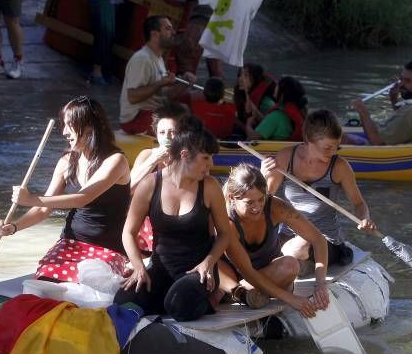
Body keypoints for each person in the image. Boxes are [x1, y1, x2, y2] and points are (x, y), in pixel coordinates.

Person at [0, 96, 132, 283]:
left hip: (107, 248)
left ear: (90, 127)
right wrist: (13, 227)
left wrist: (30, 199)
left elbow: (82, 198)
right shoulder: (67, 161)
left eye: (70, 125)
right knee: (45, 284)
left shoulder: (115, 161)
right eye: (64, 125)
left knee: (83, 288)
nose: (65, 132)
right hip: (70, 243)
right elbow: (44, 208)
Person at [116, 123, 231, 322]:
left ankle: (206, 297)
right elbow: (128, 232)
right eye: (206, 158)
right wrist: (139, 268)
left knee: (178, 306)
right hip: (160, 269)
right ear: (185, 155)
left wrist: (208, 264)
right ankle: (166, 298)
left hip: (198, 272)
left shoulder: (210, 186)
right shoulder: (150, 184)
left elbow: (224, 233)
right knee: (123, 301)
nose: (210, 164)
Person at [261, 109, 377, 267]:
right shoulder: (285, 157)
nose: (333, 151)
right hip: (288, 234)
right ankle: (289, 261)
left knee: (301, 245)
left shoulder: (340, 166)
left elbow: (358, 204)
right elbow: (265, 200)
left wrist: (365, 218)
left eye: (337, 146)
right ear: (309, 139)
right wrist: (263, 176)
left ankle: (285, 259)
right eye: (327, 147)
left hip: (325, 240)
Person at [219, 164, 328, 316]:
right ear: (232, 197)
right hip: (241, 280)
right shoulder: (227, 222)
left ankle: (262, 293)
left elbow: (318, 239)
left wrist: (320, 284)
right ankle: (240, 294)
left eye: (261, 199)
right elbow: (248, 272)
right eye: (249, 203)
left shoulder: (275, 206)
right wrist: (291, 299)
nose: (257, 207)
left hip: (269, 272)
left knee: (291, 265)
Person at [119, 15, 195, 135]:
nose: (173, 32)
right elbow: (132, 97)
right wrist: (160, 83)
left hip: (152, 112)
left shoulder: (157, 58)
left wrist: (184, 83)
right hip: (135, 119)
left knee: (188, 104)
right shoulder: (142, 58)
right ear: (154, 34)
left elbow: (163, 96)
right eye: (168, 29)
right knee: (180, 120)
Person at [348, 60, 412, 145]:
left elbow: (377, 141)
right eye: (401, 79)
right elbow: (405, 122)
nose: (401, 84)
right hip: (400, 137)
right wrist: (394, 99)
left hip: (376, 145)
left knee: (337, 136)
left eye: (408, 81)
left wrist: (363, 111)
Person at [129, 103, 189, 192]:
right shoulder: (147, 155)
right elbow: (129, 189)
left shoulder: (191, 157)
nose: (167, 137)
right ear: (156, 133)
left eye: (172, 132)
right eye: (161, 132)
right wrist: (154, 159)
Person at [236, 63, 294, 141]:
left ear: (255, 79)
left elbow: (267, 124)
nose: (240, 79)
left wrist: (249, 121)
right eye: (240, 75)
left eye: (245, 76)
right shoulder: (244, 96)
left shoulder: (266, 103)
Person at [274, 76, 308, 141]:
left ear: (283, 93)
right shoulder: (299, 109)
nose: (275, 88)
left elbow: (253, 137)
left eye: (277, 86)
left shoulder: (278, 114)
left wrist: (248, 125)